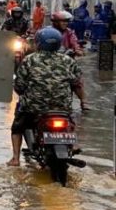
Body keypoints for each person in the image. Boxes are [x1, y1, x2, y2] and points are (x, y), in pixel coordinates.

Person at [9, 28, 85, 166]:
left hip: (35, 107)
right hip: (62, 106)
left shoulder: (29, 60)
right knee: (70, 118)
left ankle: (15, 159)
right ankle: (74, 144)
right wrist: (83, 102)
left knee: (17, 126)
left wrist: (24, 93)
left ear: (38, 43)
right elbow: (77, 84)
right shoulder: (69, 61)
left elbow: (19, 86)